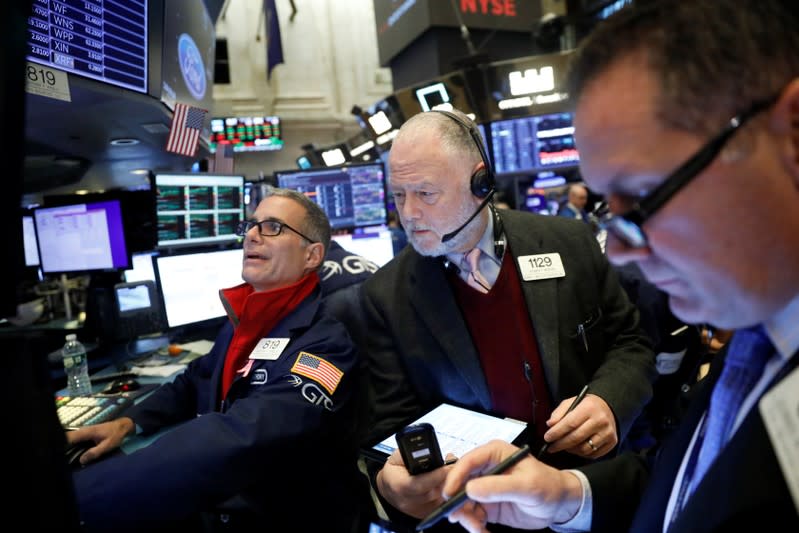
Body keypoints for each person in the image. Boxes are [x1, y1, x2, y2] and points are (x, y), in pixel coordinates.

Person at [442, 2, 799, 532]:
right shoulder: (758, 340)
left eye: (645, 196)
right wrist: (568, 495)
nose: (622, 250)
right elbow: (694, 485)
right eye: (612, 207)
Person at [358, 108, 656, 530]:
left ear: (481, 182)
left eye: (425, 194)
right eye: (399, 195)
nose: (408, 213)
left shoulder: (568, 242)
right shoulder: (384, 296)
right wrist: (393, 476)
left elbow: (631, 341)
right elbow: (392, 420)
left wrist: (609, 400)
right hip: (483, 512)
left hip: (590, 492)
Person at [66, 188, 363, 532]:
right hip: (225, 501)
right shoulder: (248, 320)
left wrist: (77, 496)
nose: (252, 235)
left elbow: (238, 435)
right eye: (251, 225)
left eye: (273, 227)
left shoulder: (325, 347)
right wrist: (129, 422)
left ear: (312, 255)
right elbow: (196, 378)